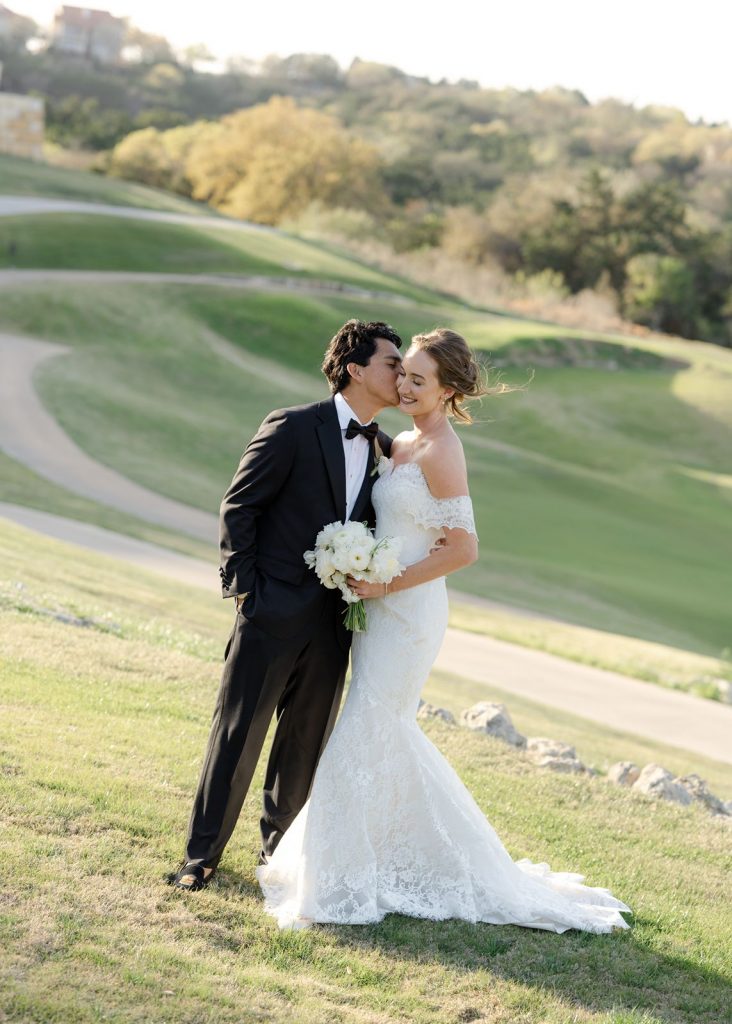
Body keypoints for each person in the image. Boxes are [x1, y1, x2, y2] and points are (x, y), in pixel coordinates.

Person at [257, 328, 631, 933]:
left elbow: (463, 549)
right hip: (379, 607)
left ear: (448, 390)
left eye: (418, 379)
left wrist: (384, 583)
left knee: (373, 724)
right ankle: (371, 857)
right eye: (401, 372)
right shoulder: (401, 441)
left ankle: (343, 872)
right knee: (376, 727)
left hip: (408, 614)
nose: (403, 385)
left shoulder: (441, 451)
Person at [169, 319, 403, 891]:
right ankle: (200, 858)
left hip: (335, 624)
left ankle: (279, 858)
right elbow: (238, 508)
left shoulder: (389, 451)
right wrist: (247, 591)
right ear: (355, 369)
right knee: (237, 736)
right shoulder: (294, 426)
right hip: (270, 613)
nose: (401, 373)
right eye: (391, 363)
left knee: (304, 745)